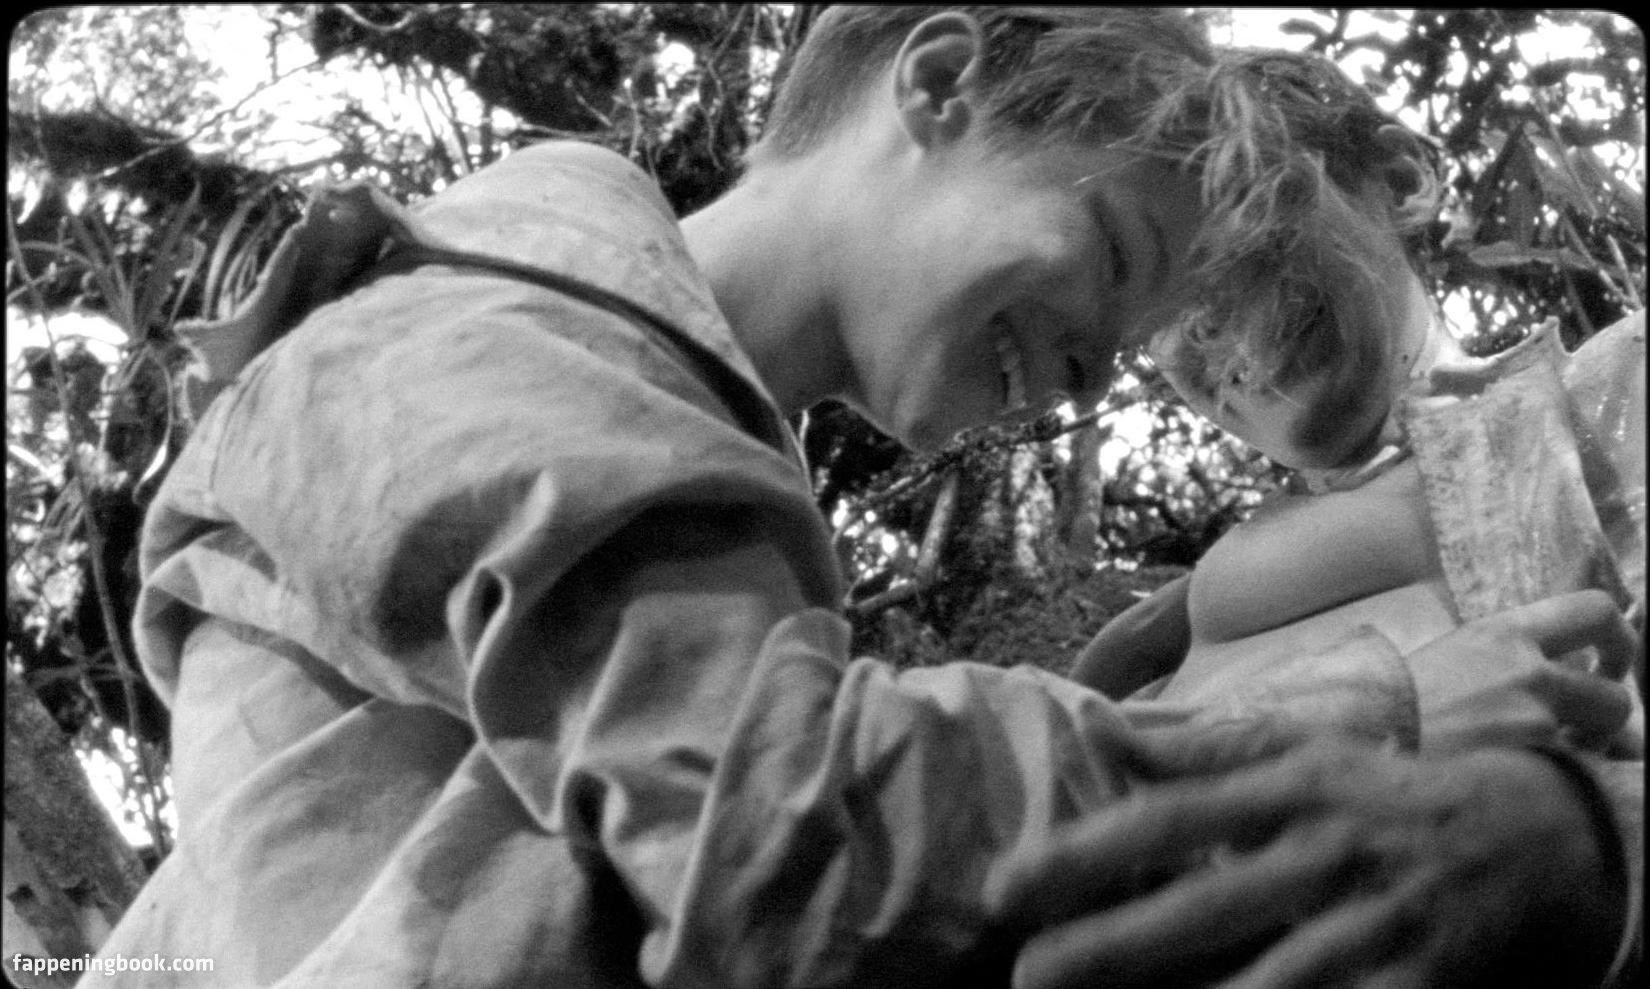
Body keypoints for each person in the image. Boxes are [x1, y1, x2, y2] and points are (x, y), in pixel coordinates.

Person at [93, 8, 1634, 987]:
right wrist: (1361, 717)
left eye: (1122, 354)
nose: (1085, 384)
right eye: (1108, 258)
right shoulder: (483, 341)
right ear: (942, 80)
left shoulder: (653, 432)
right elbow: (777, 844)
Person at [1053, 46, 1643, 988]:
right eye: (1152, 295)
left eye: (1235, 219)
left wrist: (1596, 852)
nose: (1194, 320)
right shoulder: (1156, 632)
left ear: (1401, 182)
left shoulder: (1622, 394)